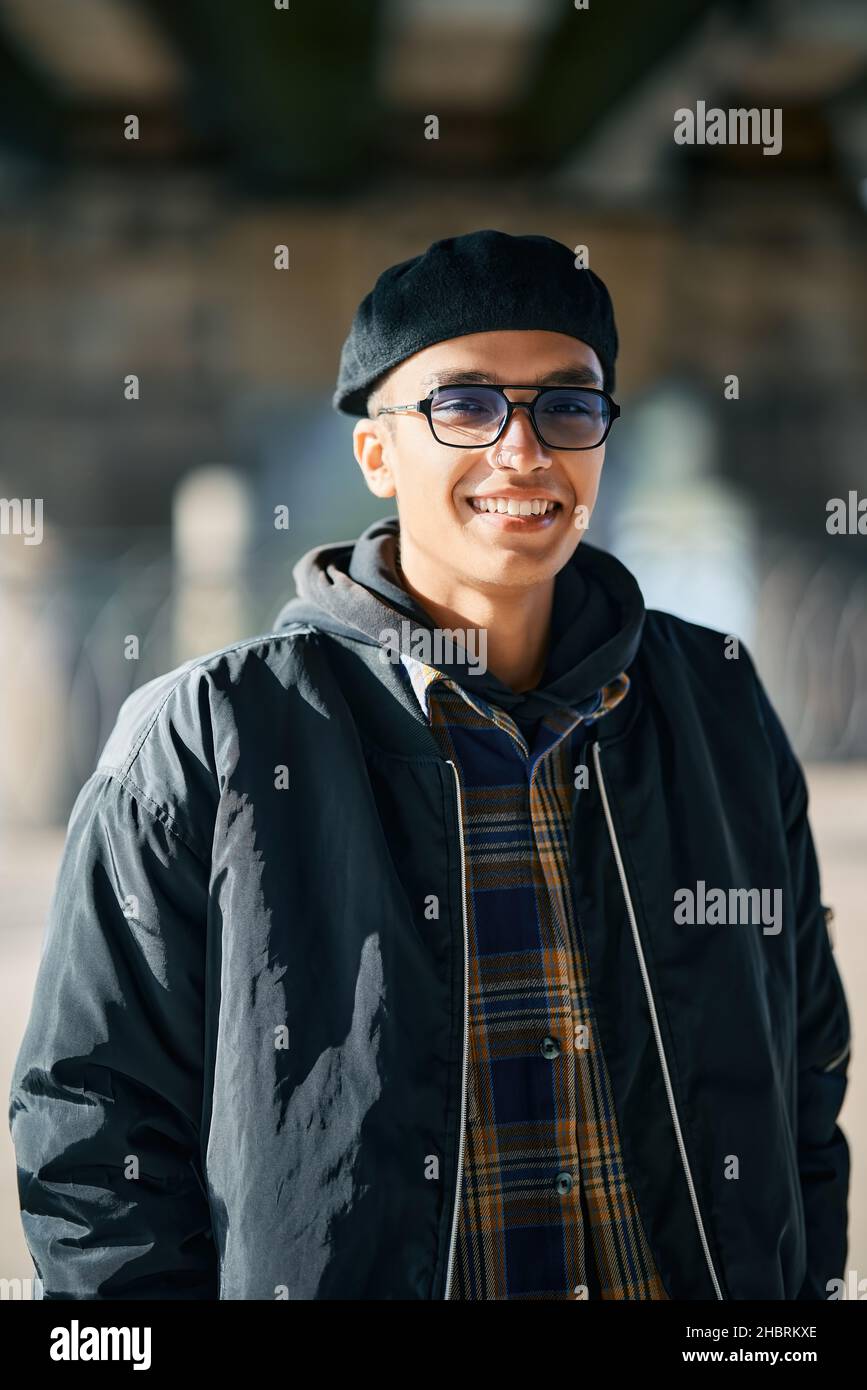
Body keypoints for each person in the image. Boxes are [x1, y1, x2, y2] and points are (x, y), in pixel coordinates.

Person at [9, 230, 851, 1300]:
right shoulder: (209, 737)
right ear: (377, 451)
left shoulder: (717, 702)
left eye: (568, 404)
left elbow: (805, 1062)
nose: (522, 449)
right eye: (465, 404)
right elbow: (89, 1136)